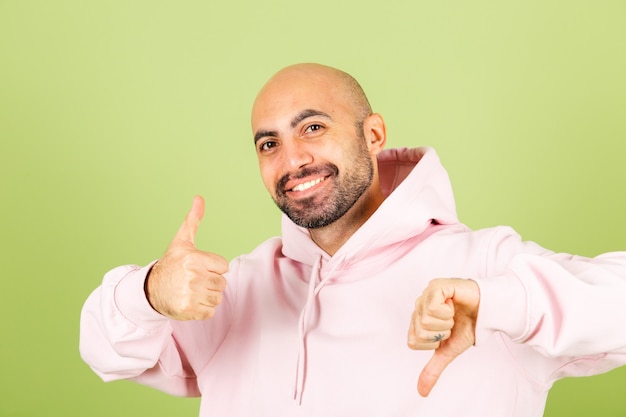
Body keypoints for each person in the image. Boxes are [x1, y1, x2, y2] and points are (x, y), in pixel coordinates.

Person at [80, 63, 626, 417]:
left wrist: (505, 304)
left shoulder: (482, 267)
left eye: (312, 127)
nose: (292, 159)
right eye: (269, 143)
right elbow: (104, 349)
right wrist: (149, 291)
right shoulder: (237, 290)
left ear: (374, 135)